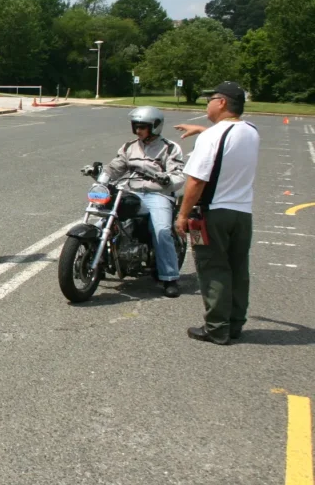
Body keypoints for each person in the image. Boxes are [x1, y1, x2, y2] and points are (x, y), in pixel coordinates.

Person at [174, 82, 260, 345]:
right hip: (241, 213)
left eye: (210, 99)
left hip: (212, 214)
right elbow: (227, 142)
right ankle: (235, 324)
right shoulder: (251, 132)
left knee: (213, 268)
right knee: (238, 269)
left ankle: (216, 328)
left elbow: (196, 181)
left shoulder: (211, 137)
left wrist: (182, 215)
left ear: (222, 102)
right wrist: (201, 131)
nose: (207, 103)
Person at [98, 106, 186, 298]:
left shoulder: (170, 148)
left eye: (142, 126)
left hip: (158, 194)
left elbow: (179, 175)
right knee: (102, 219)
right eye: (136, 126)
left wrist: (167, 179)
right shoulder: (129, 147)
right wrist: (102, 177)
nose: (138, 130)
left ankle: (170, 277)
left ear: (155, 126)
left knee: (162, 230)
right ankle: (98, 260)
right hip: (131, 191)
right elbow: (115, 167)